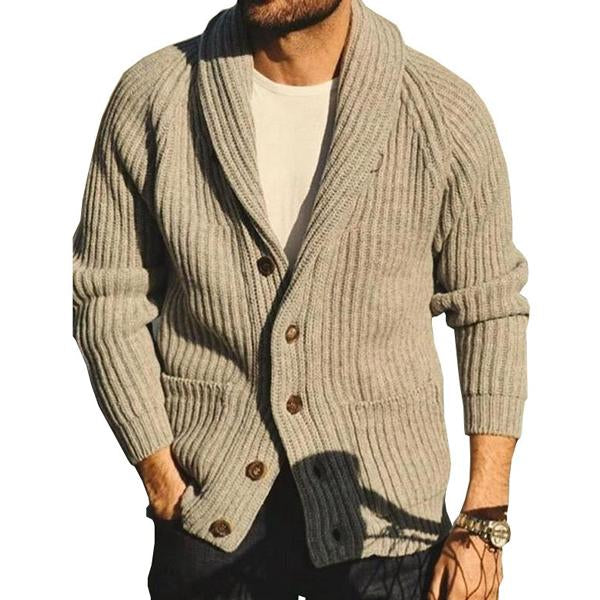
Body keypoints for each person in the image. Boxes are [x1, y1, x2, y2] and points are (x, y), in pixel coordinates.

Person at [72, 0, 529, 598]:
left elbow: (489, 308)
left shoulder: (442, 111)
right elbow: (107, 295)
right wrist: (159, 474)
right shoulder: (154, 97)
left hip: (386, 513)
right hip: (209, 505)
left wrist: (484, 517)